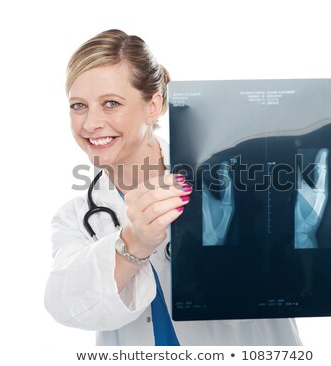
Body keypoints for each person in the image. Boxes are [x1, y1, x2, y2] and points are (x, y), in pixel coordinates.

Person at [44, 29, 302, 346]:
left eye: (111, 103)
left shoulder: (230, 179)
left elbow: (292, 277)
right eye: (78, 105)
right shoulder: (75, 217)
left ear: (153, 105)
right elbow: (66, 306)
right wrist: (133, 241)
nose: (90, 123)